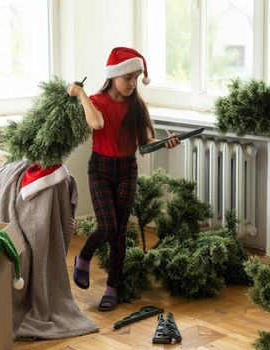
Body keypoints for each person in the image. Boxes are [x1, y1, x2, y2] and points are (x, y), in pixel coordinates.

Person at [67, 47, 180, 311]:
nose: (133, 83)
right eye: (128, 77)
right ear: (114, 75)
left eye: (137, 77)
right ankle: (82, 258)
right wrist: (81, 93)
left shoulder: (137, 106)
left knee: (118, 233)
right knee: (107, 226)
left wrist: (165, 142)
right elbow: (96, 124)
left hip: (127, 169)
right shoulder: (96, 101)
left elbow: (144, 141)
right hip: (100, 170)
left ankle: (113, 287)